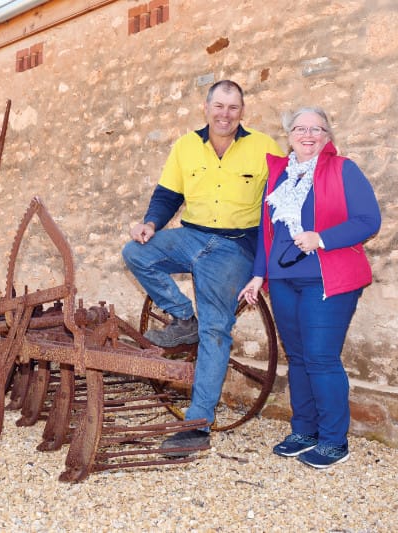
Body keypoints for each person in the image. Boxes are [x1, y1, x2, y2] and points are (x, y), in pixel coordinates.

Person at [122, 80, 283, 454]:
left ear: (242, 111)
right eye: (219, 106)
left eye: (233, 107)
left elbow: (278, 206)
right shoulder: (186, 146)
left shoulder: (264, 148)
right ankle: (183, 318)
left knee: (215, 330)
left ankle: (196, 426)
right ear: (206, 108)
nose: (225, 114)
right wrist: (150, 223)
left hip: (233, 247)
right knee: (136, 253)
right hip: (191, 235)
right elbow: (168, 195)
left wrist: (264, 263)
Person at [239, 106, 381, 469]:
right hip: (283, 280)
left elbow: (369, 220)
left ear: (327, 135)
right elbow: (266, 230)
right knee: (299, 358)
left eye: (316, 129)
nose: (307, 135)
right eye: (300, 129)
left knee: (320, 358)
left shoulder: (343, 169)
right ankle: (304, 431)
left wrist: (321, 238)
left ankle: (334, 440)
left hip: (327, 278)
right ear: (289, 136)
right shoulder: (279, 176)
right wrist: (258, 274)